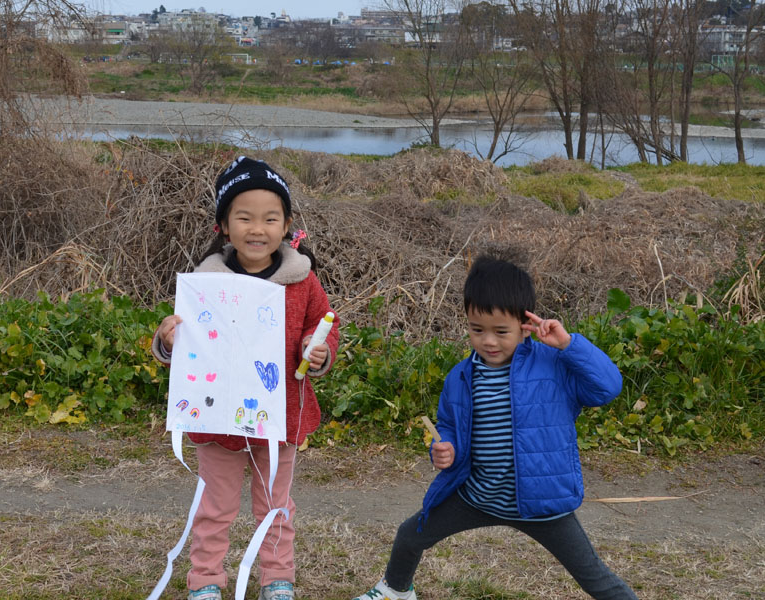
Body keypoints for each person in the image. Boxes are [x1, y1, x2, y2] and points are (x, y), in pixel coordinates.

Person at [353, 256, 638, 600]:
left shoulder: (553, 366)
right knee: (410, 534)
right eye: (477, 329)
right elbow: (449, 427)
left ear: (525, 324)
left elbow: (608, 387)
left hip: (541, 504)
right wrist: (444, 450)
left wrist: (568, 344)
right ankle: (395, 590)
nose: (489, 341)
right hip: (477, 496)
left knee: (594, 576)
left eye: (501, 332)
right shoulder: (462, 375)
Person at [153, 156, 339, 600]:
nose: (258, 229)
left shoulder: (303, 281)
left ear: (287, 224)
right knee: (214, 506)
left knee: (276, 506)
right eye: (245, 217)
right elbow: (185, 348)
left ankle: (277, 579)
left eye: (270, 218)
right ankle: (205, 582)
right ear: (223, 224)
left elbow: (321, 326)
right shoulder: (205, 282)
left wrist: (318, 350)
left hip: (281, 419)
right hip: (217, 421)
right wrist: (168, 339)